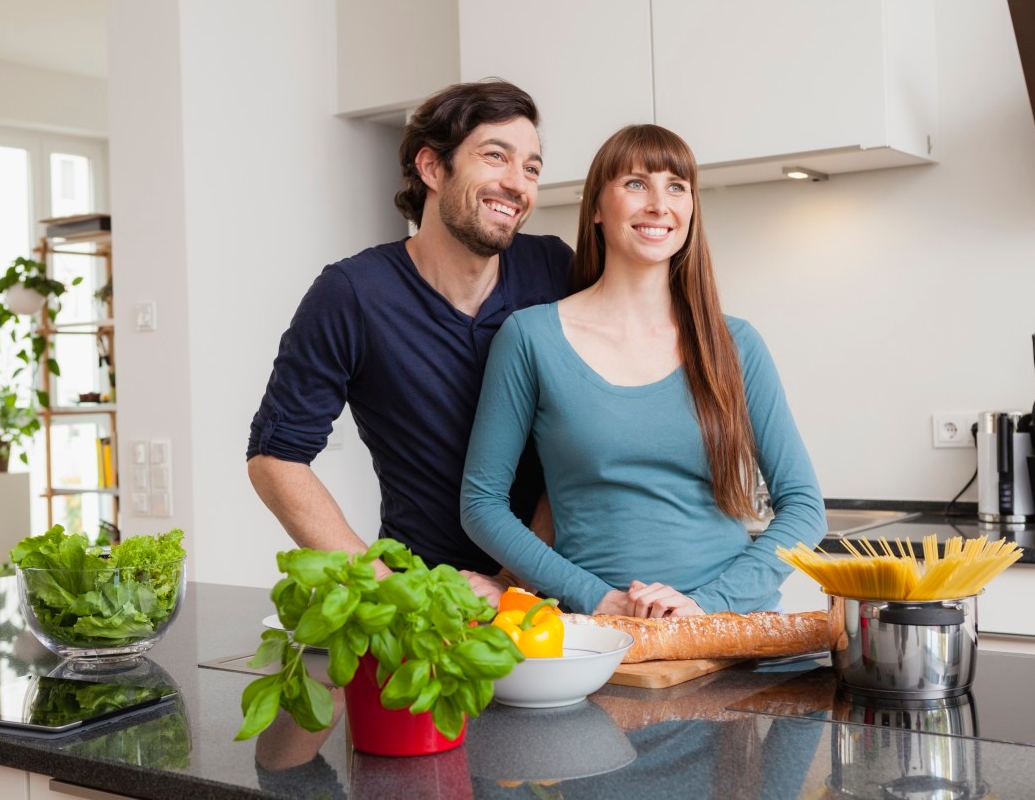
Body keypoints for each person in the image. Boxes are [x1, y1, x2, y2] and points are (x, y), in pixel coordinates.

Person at [460, 124, 825, 617]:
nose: (659, 204)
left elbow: (804, 508)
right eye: (636, 184)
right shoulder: (531, 338)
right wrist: (599, 599)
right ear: (595, 208)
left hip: (731, 626)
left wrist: (705, 607)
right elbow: (481, 505)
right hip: (601, 636)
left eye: (677, 187)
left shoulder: (736, 344)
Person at [247, 79, 572, 598]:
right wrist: (388, 593)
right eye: (495, 156)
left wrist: (516, 582)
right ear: (431, 167)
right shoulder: (352, 293)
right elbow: (275, 458)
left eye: (531, 168)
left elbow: (583, 439)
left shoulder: (555, 270)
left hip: (556, 593)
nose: (518, 183)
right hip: (421, 600)